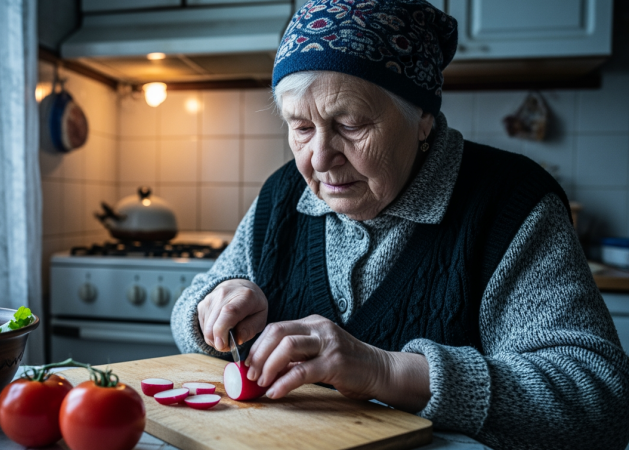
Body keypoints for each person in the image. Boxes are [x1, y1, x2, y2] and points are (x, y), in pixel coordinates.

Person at [170, 1, 629, 449]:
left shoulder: (509, 205)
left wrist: (386, 371)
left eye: (349, 125)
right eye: (301, 128)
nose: (320, 159)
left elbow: (600, 404)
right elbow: (193, 306)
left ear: (423, 118)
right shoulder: (284, 193)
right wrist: (213, 306)